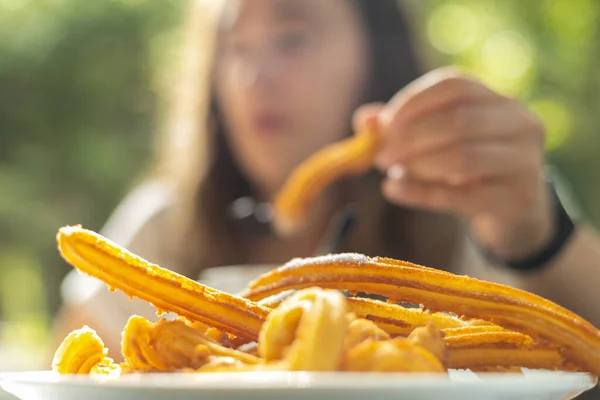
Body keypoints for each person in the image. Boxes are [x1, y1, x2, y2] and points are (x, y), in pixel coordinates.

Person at [54, 0, 600, 364]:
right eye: (237, 47)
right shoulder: (160, 225)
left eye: (292, 39)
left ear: (375, 56)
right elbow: (68, 372)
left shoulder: (471, 201)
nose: (254, 76)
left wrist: (535, 232)